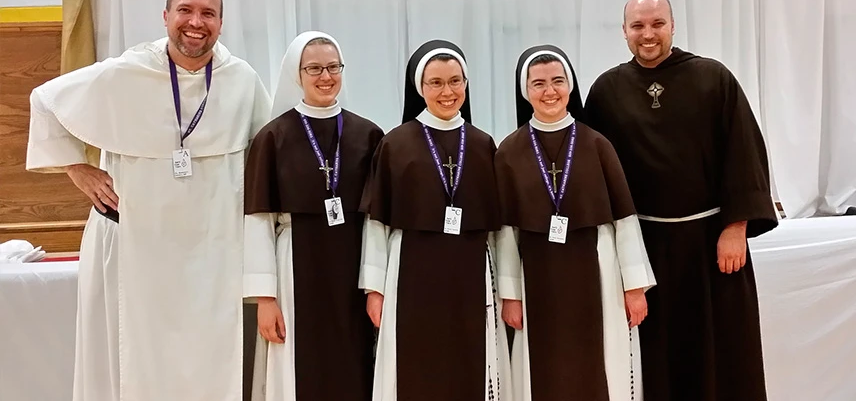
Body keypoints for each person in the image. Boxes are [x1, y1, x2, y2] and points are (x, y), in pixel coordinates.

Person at [25, 0, 272, 401]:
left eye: (208, 13)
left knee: (210, 357)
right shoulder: (126, 72)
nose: (196, 22)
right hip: (137, 246)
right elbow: (45, 100)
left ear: (221, 23)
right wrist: (77, 169)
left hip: (213, 252)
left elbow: (267, 152)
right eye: (185, 10)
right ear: (165, 16)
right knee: (133, 356)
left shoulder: (241, 79)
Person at [582, 0, 779, 401]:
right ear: (623, 31)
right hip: (644, 247)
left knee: (721, 353)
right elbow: (593, 172)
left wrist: (736, 227)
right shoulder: (606, 91)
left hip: (710, 244)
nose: (648, 34)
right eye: (638, 25)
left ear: (673, 25)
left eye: (657, 23)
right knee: (657, 357)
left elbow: (743, 152)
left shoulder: (713, 78)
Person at [494, 45, 656, 401]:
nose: (549, 91)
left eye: (557, 81)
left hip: (598, 270)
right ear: (525, 91)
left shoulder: (597, 144)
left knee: (600, 365)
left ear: (570, 85)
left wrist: (634, 287)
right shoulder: (509, 151)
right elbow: (506, 232)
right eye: (538, 84)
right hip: (536, 274)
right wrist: (511, 296)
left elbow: (624, 220)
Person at [358, 40, 511, 401]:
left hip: (469, 271)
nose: (447, 92)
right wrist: (375, 289)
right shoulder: (396, 144)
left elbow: (499, 228)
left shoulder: (482, 144)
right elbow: (378, 224)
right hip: (411, 271)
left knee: (468, 361)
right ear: (420, 87)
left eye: (455, 81)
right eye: (436, 83)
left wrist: (507, 290)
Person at [243, 31, 384, 400]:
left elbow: (377, 219)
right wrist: (265, 299)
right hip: (295, 264)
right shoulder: (273, 137)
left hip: (352, 265)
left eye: (333, 67)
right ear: (297, 73)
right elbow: (258, 220)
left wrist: (375, 285)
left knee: (354, 361)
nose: (326, 77)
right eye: (314, 68)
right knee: (298, 365)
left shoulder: (368, 135)